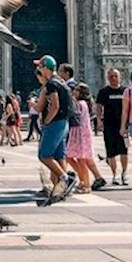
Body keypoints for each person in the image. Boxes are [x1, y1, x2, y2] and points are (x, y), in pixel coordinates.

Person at [33, 56, 76, 201]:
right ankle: (60, 189)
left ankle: (66, 179)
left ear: (46, 68)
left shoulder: (52, 84)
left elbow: (55, 105)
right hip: (64, 123)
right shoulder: (61, 82)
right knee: (59, 156)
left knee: (44, 155)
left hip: (55, 124)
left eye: (40, 67)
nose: (39, 70)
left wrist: (47, 121)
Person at [66, 83, 104, 191]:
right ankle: (82, 180)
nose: (74, 92)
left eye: (77, 90)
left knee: (81, 160)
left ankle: (86, 184)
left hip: (80, 133)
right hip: (79, 132)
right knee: (71, 157)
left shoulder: (80, 103)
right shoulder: (82, 103)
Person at [96, 68, 128, 185]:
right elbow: (99, 107)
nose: (113, 78)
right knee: (110, 152)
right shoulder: (103, 92)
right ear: (107, 78)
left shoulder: (125, 91)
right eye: (111, 76)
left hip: (123, 126)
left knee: (124, 151)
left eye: (115, 76)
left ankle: (124, 173)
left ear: (120, 77)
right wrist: (99, 121)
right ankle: (115, 175)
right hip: (109, 125)